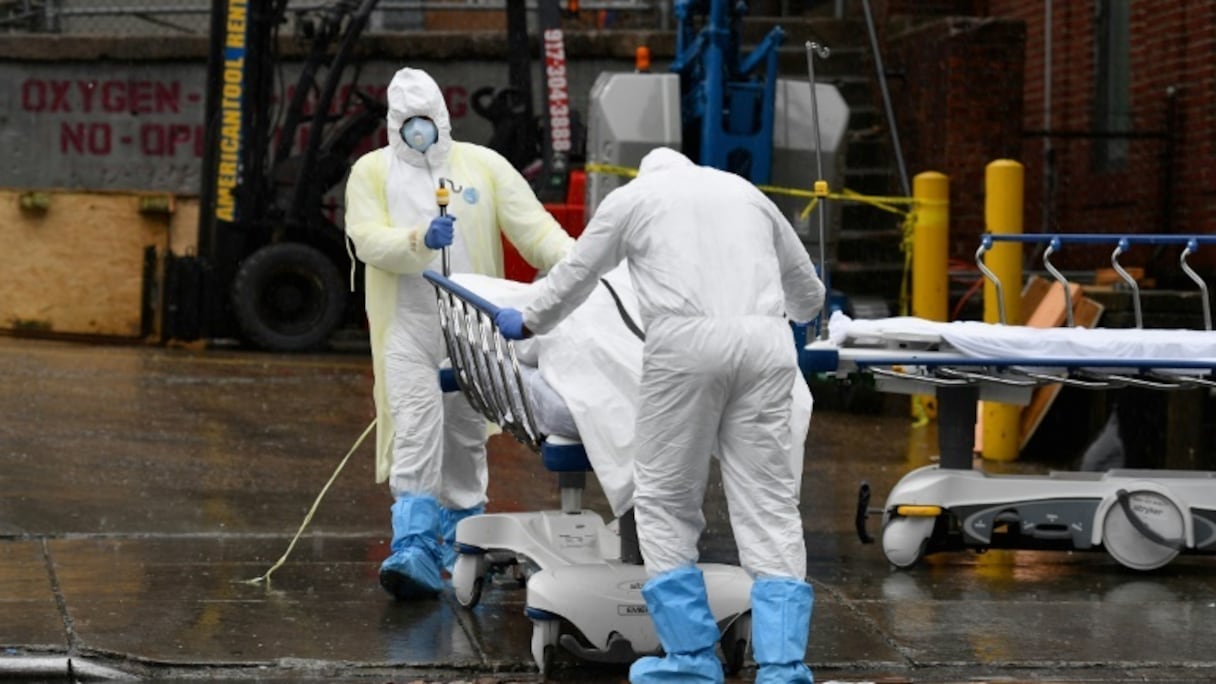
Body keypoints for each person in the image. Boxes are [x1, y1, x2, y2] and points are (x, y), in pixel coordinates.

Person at [495, 147, 825, 684]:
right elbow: (806, 290)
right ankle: (784, 664)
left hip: (685, 345)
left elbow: (577, 272)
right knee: (768, 504)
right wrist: (803, 314)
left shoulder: (635, 198)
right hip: (766, 347)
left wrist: (529, 321)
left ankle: (691, 656)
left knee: (667, 498)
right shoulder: (746, 194)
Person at [343, 67, 574, 600]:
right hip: (408, 327)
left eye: (425, 120)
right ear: (394, 123)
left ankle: (463, 540)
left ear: (442, 118)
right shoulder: (371, 173)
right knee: (416, 431)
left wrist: (579, 265)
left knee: (466, 438)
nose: (417, 131)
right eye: (407, 122)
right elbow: (366, 240)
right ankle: (415, 547)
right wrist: (418, 239)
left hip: (470, 328)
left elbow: (535, 230)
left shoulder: (482, 167)